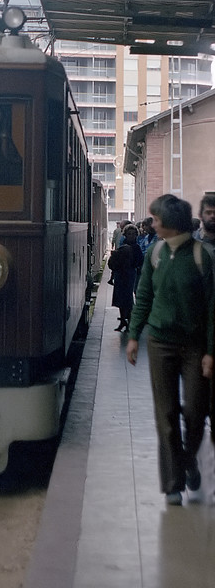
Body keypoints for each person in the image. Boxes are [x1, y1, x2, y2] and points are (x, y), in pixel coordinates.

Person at [126, 194, 215, 506]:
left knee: (195, 411)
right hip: (161, 344)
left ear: (170, 222)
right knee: (165, 414)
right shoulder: (155, 252)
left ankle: (189, 461)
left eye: (155, 219)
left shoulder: (204, 256)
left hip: (195, 346)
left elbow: (213, 308)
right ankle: (173, 484)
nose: (152, 223)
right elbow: (145, 296)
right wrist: (134, 335)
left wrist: (210, 352)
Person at [108, 223, 143, 332]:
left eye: (133, 234)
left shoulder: (136, 248)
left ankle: (129, 320)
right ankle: (123, 319)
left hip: (129, 274)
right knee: (120, 298)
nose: (131, 236)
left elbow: (139, 261)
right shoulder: (123, 246)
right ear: (125, 235)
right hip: (120, 274)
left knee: (127, 298)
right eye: (129, 234)